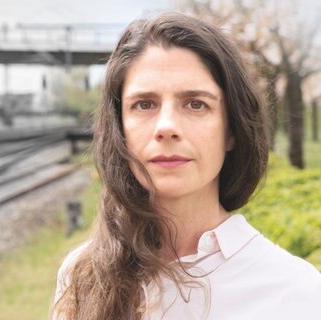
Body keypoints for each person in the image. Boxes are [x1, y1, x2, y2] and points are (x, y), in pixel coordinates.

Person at [52, 12, 321, 320]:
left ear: (231, 130)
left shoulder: (296, 292)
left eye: (196, 103)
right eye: (144, 104)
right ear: (120, 129)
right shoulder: (82, 275)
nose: (166, 127)